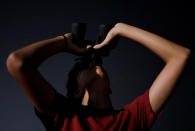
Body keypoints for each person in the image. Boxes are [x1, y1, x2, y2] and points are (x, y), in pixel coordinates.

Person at [6, 22, 191, 131]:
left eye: (96, 63)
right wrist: (63, 42)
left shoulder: (131, 118)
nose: (93, 63)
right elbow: (17, 63)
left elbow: (180, 56)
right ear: (76, 90)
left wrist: (121, 29)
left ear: (108, 85)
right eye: (84, 65)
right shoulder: (63, 117)